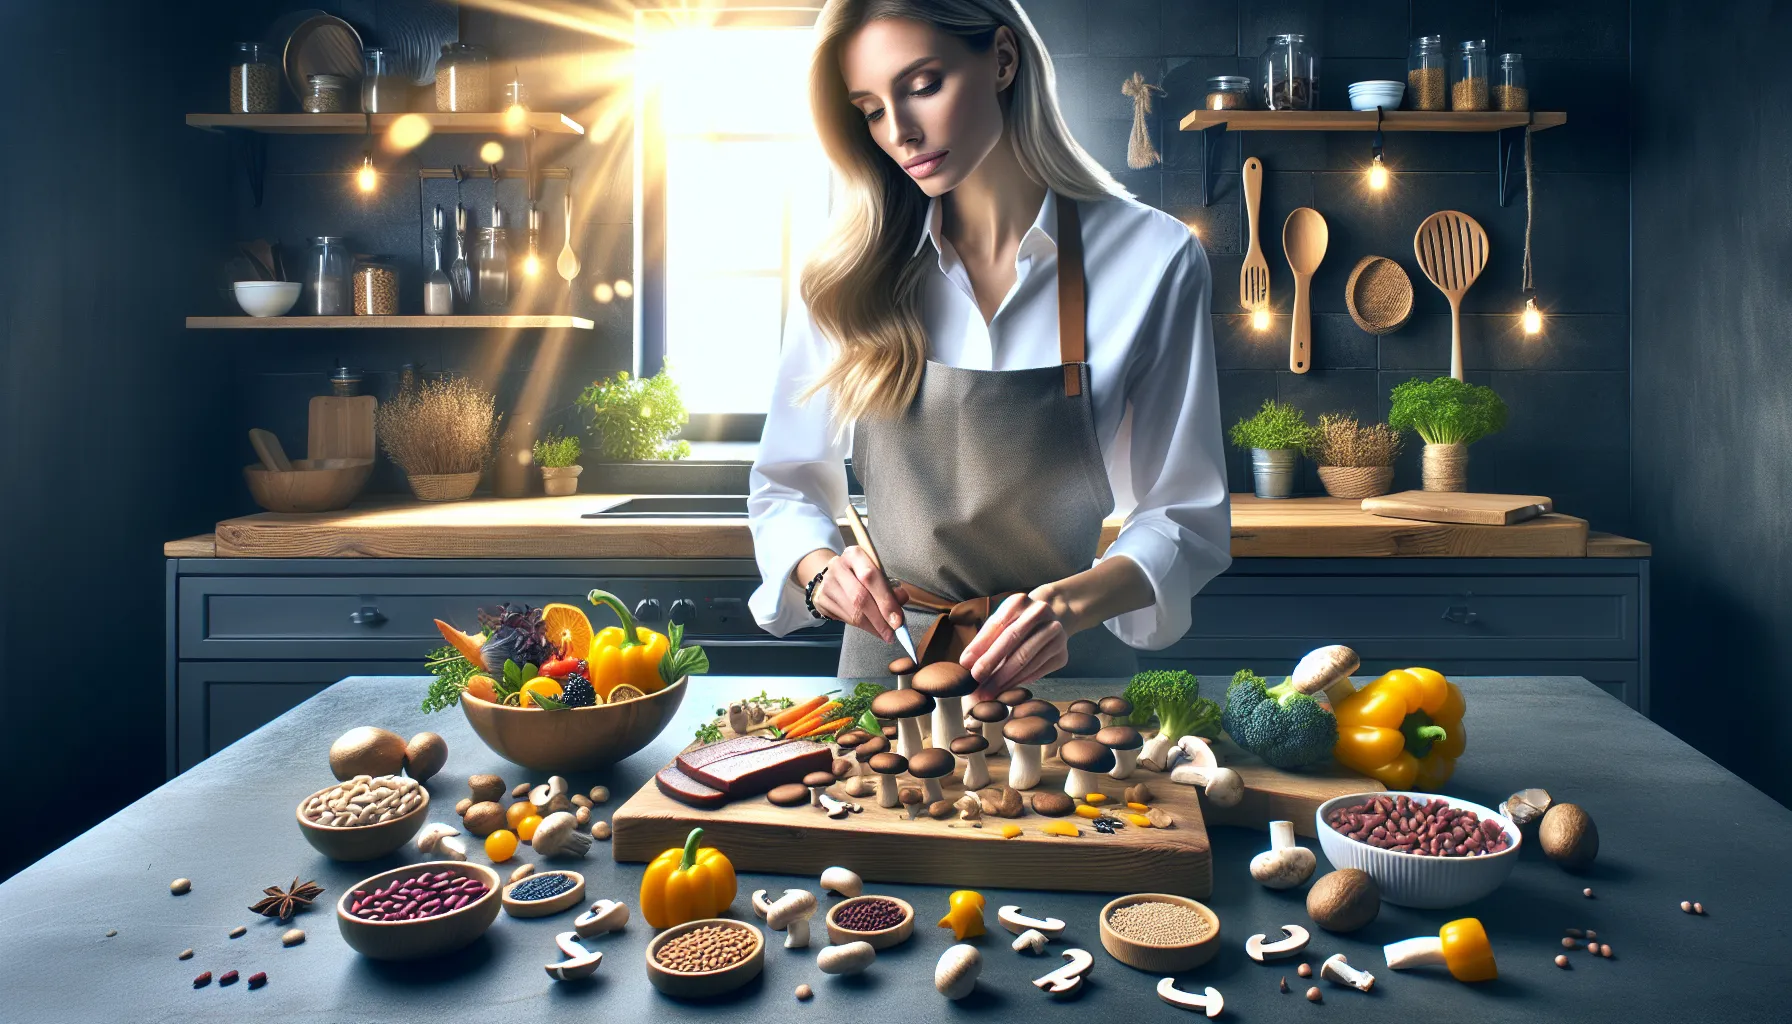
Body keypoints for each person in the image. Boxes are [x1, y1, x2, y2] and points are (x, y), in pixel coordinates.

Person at [748, 0, 1230, 700]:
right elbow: (785, 486)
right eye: (872, 109)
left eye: (921, 86)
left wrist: (1065, 609)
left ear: (1003, 59)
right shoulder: (846, 274)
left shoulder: (1155, 258)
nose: (900, 132)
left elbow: (1184, 513)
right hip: (892, 670)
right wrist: (820, 569)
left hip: (1067, 679)